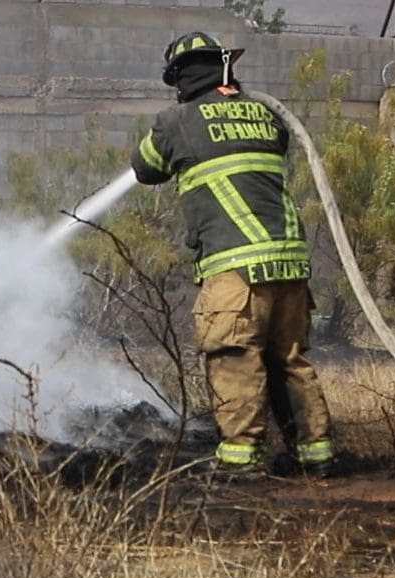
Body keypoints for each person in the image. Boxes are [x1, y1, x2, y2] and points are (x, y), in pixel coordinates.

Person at [129, 32, 336, 479]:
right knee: (289, 360)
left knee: (235, 357)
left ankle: (240, 462)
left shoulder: (176, 121)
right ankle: (316, 455)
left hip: (235, 264)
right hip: (290, 264)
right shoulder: (267, 114)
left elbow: (145, 169)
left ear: (181, 77)